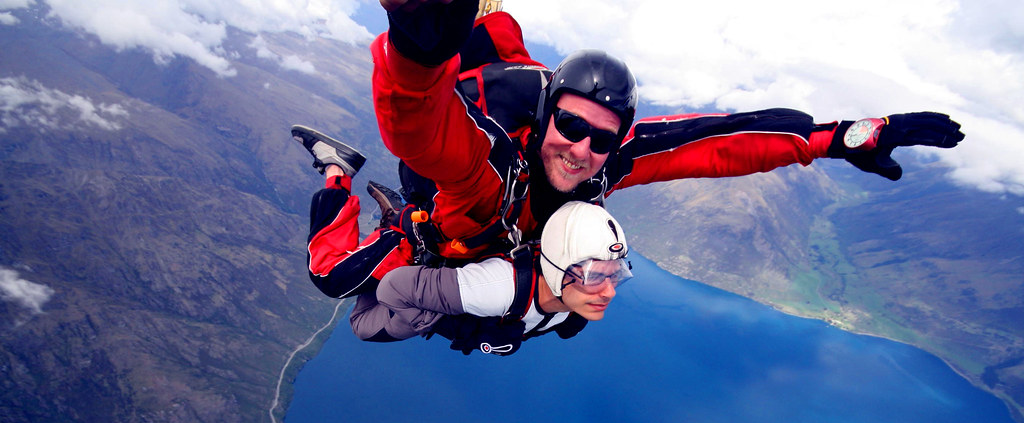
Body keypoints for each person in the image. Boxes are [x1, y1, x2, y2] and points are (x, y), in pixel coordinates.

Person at [370, 0, 965, 264]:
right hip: (455, 197)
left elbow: (714, 143)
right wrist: (415, 54)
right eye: (571, 125)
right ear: (548, 114)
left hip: (519, 96)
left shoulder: (609, 157)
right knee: (492, 48)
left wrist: (836, 138)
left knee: (506, 44)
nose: (583, 149)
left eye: (601, 138)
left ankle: (487, 25)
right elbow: (418, 126)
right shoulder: (484, 165)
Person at [295, 127, 631, 355]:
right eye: (595, 276)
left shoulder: (574, 313)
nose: (609, 291)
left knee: (362, 315)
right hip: (419, 252)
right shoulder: (496, 288)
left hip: (445, 273)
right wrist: (435, 311)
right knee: (330, 276)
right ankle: (339, 170)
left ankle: (400, 212)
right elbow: (394, 290)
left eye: (616, 275)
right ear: (558, 268)